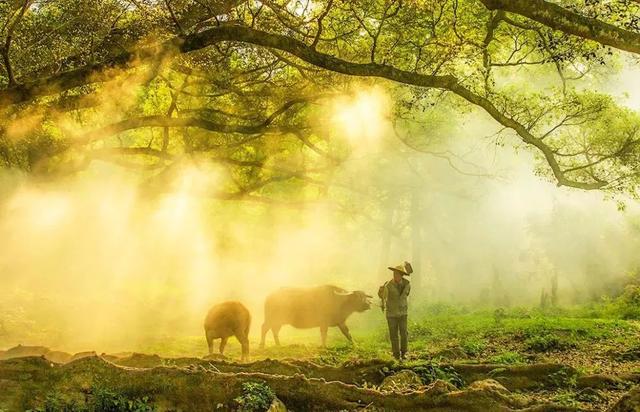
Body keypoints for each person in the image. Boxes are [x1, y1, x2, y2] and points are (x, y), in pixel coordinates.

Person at [379, 261, 412, 360]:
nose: (395, 275)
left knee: (404, 333)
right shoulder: (388, 285)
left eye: (397, 274)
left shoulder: (407, 284)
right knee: (393, 335)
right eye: (394, 273)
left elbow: (406, 295)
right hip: (391, 314)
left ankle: (404, 353)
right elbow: (382, 296)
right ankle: (396, 354)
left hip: (403, 313)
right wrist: (380, 291)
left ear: (401, 275)